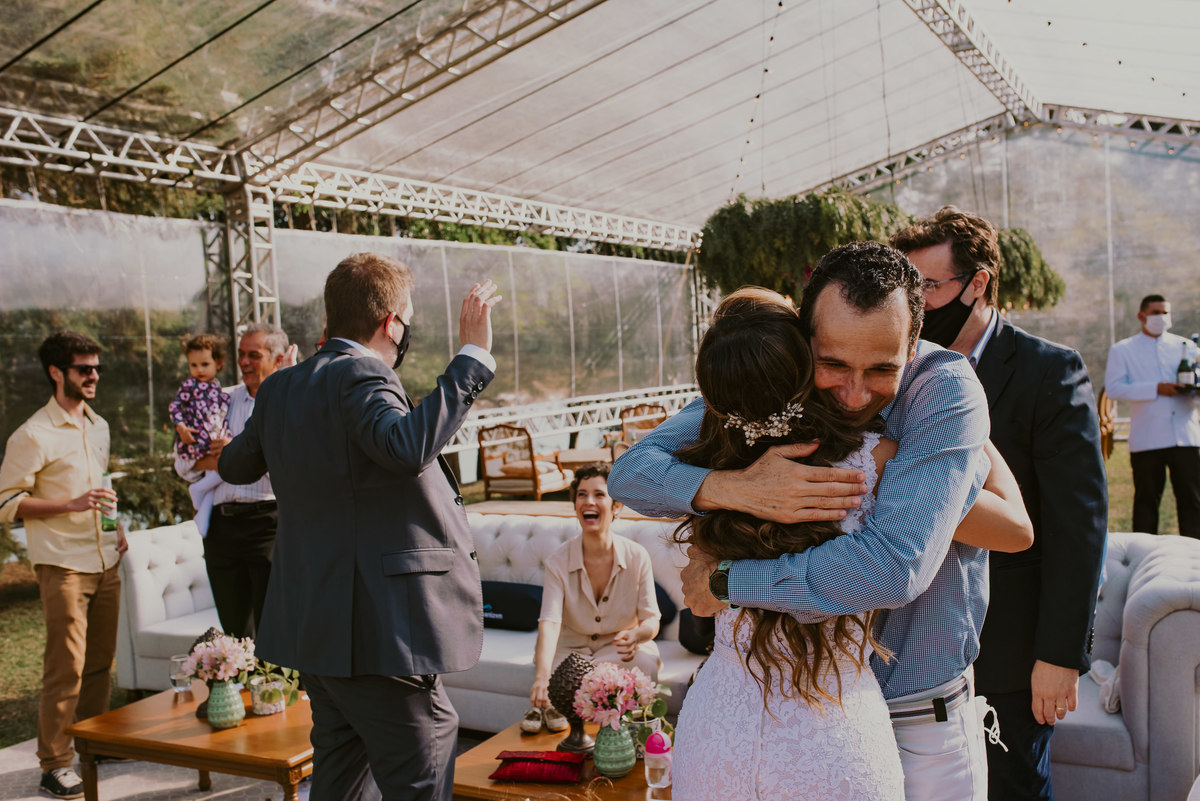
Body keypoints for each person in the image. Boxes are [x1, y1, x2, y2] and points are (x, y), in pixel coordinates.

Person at [609, 241, 1031, 801]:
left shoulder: (942, 388)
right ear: (805, 337)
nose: (854, 394)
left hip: (914, 709)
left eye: (882, 370)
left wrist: (729, 581)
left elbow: (896, 565)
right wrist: (740, 489)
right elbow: (632, 472)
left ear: (914, 345)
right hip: (776, 707)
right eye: (833, 365)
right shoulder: (780, 375)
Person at [218, 252, 500, 801]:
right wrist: (473, 356)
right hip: (380, 634)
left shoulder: (279, 388)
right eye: (408, 317)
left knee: (340, 781)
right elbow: (404, 446)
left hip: (318, 633)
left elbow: (235, 466)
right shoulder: (362, 372)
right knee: (421, 773)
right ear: (391, 322)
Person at [892, 206, 1108, 801]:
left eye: (930, 288)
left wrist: (1060, 655)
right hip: (908, 655)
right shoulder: (896, 370)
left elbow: (1078, 525)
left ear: (978, 283)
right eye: (908, 288)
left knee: (1014, 790)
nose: (916, 305)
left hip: (1011, 656)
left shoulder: (1048, 371)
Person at [669, 287, 905, 799]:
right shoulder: (879, 461)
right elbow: (1015, 528)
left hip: (718, 728)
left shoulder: (706, 460)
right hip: (832, 732)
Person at [0, 331, 128, 800]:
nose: (93, 376)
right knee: (66, 666)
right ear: (57, 372)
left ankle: (92, 745)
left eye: (96, 368)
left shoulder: (99, 426)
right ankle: (54, 763)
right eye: (83, 369)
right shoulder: (31, 434)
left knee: (99, 664)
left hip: (105, 558)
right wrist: (71, 504)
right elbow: (7, 502)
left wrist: (116, 527)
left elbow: (102, 486)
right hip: (63, 565)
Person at [173, 322, 296, 639]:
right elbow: (183, 463)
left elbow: (292, 469)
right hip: (221, 530)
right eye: (241, 354)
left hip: (269, 525)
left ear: (279, 359)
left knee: (276, 632)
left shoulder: (290, 406)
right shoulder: (218, 399)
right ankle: (238, 689)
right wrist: (236, 459)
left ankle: (278, 689)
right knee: (235, 633)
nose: (243, 362)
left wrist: (235, 455)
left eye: (254, 355)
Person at [526, 463, 661, 734]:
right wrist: (541, 677)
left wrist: (636, 636)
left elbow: (651, 620)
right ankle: (571, 704)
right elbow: (550, 622)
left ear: (616, 506)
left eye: (599, 494)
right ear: (575, 504)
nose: (589, 501)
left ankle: (570, 704)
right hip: (570, 653)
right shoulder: (557, 560)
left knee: (645, 664)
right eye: (581, 494)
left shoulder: (637, 556)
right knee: (556, 674)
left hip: (618, 650)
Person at [1105, 294, 1200, 539]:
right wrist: (1155, 388)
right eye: (1156, 312)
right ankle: (1144, 554)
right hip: (1148, 438)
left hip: (1185, 437)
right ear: (1142, 315)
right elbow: (1114, 388)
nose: (1162, 318)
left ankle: (1194, 558)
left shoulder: (1187, 347)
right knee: (1147, 502)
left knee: (1192, 502)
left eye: (1166, 313)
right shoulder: (1123, 350)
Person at [167, 333, 230, 536]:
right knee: (223, 470)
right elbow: (175, 407)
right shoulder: (189, 386)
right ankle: (198, 494)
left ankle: (202, 517)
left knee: (217, 478)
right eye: (193, 365)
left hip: (211, 440)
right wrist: (181, 428)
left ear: (218, 363)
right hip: (196, 441)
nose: (199, 370)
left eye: (204, 364)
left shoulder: (218, 389)